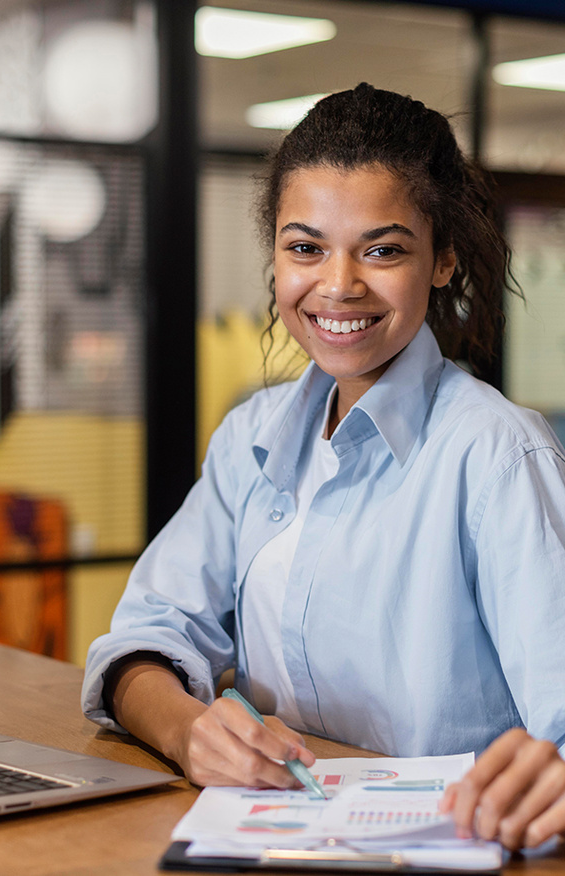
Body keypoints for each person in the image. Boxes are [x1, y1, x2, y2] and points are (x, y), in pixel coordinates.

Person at [82, 83, 565, 851]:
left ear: (441, 261)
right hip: (275, 838)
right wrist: (189, 732)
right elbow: (142, 639)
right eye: (305, 247)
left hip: (455, 851)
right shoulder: (251, 438)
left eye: (383, 249)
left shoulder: (498, 455)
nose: (338, 284)